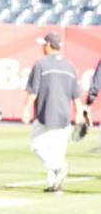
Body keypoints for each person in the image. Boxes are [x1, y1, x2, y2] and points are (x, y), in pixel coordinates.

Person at [22, 33, 83, 193]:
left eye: (44, 43)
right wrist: (78, 112)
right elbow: (76, 94)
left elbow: (33, 91)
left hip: (45, 113)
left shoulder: (40, 64)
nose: (42, 46)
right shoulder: (69, 65)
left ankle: (58, 168)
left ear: (48, 45)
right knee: (57, 151)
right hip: (64, 115)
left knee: (37, 146)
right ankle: (55, 186)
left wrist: (26, 109)